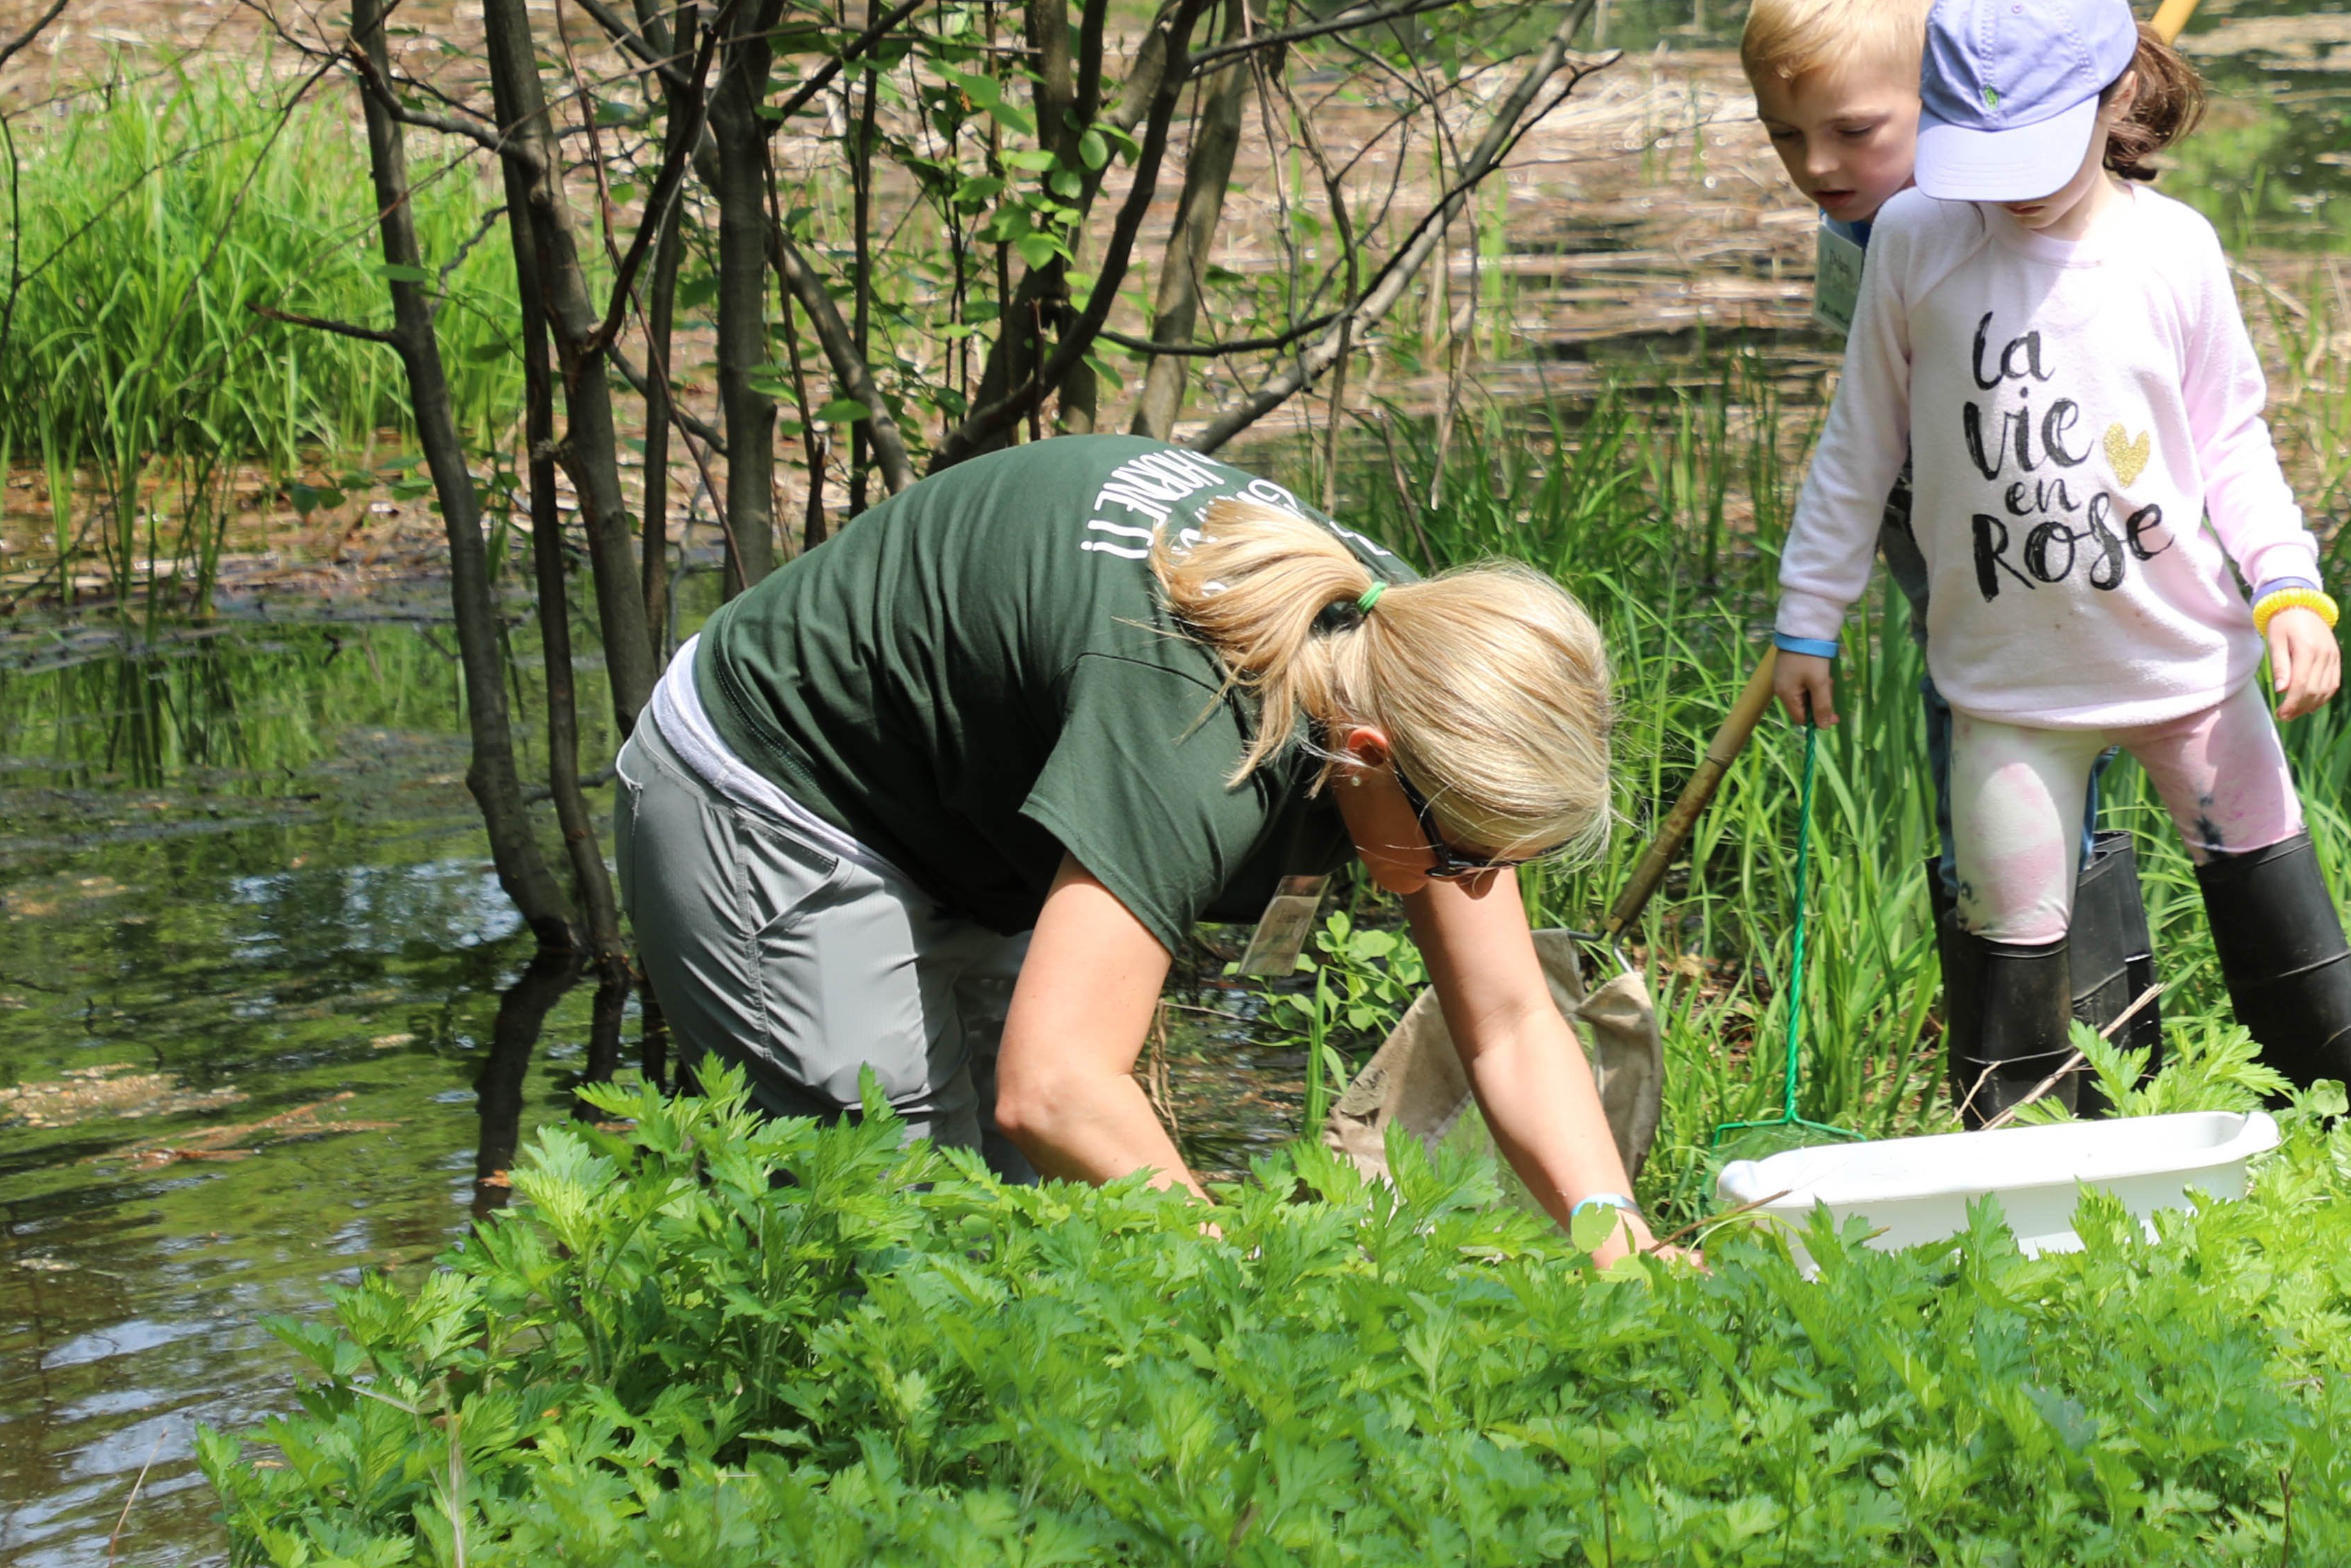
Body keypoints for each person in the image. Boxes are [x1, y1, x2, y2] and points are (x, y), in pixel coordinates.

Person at [613, 433, 1664, 1260]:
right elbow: (1057, 1084)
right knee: (893, 1228)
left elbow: (1514, 1020)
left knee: (1016, 1221)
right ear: (1367, 756)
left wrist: (1625, 1245)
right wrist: (1243, 1287)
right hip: (779, 785)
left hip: (964, 807)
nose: (1475, 888)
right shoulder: (1197, 730)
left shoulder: (1416, 648)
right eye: (1463, 856)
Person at [1763, 0, 2351, 1123]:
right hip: (2008, 693)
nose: (2012, 188)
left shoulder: (2172, 251)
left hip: (2186, 670)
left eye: (2037, 155)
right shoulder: (1915, 244)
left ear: (2113, 104)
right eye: (1983, 159)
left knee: (2270, 900)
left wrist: (2290, 588)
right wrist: (1810, 617)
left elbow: (2235, 443)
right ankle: (2032, 1179)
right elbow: (1862, 446)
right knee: (2014, 953)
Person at [1741, 0, 2169, 1071]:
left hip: (2049, 566)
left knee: (2022, 786)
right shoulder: (1873, 225)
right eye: (1787, 136)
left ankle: (2070, 1048)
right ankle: (2034, 1050)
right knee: (1986, 793)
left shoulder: (1985, 209)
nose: (1818, 165)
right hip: (1950, 573)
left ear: (1942, 110)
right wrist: (1812, 604)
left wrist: (2094, 138)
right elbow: (1863, 427)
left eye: (1855, 131)